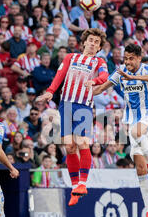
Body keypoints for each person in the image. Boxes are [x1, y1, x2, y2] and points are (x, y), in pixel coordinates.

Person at [35, 28, 109, 206]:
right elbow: (60, 75)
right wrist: (51, 91)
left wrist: (95, 81)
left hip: (83, 105)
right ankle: (75, 187)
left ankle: (83, 183)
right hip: (65, 105)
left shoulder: (99, 61)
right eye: (90, 40)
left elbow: (105, 76)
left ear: (99, 47)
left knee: (83, 143)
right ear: (84, 42)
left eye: (96, 42)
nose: (92, 43)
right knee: (69, 146)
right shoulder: (71, 57)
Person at [93, 44, 148, 217]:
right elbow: (100, 89)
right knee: (139, 168)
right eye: (126, 58)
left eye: (131, 58)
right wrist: (85, 90)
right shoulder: (121, 72)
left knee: (136, 132)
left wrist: (134, 77)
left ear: (139, 58)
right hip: (133, 122)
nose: (128, 62)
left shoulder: (146, 69)